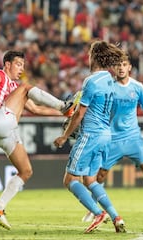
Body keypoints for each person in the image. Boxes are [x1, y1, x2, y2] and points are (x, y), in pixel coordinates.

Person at [0, 50, 78, 230]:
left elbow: (36, 110)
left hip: (1, 132)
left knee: (26, 171)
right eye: (18, 64)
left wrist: (66, 114)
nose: (21, 68)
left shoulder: (14, 91)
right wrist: (63, 107)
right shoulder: (0, 75)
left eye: (23, 65)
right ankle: (63, 104)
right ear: (8, 64)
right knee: (25, 86)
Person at [81, 53, 143, 223]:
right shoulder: (108, 87)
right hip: (112, 139)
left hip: (134, 138)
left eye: (124, 65)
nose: (121, 68)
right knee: (99, 176)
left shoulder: (137, 87)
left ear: (130, 67)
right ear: (113, 68)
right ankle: (94, 210)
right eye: (118, 65)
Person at [54, 40, 127, 233]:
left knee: (70, 180)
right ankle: (116, 217)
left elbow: (79, 113)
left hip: (90, 135)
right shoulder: (111, 81)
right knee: (90, 180)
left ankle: (97, 213)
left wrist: (64, 136)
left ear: (94, 56)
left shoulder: (91, 81)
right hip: (105, 135)